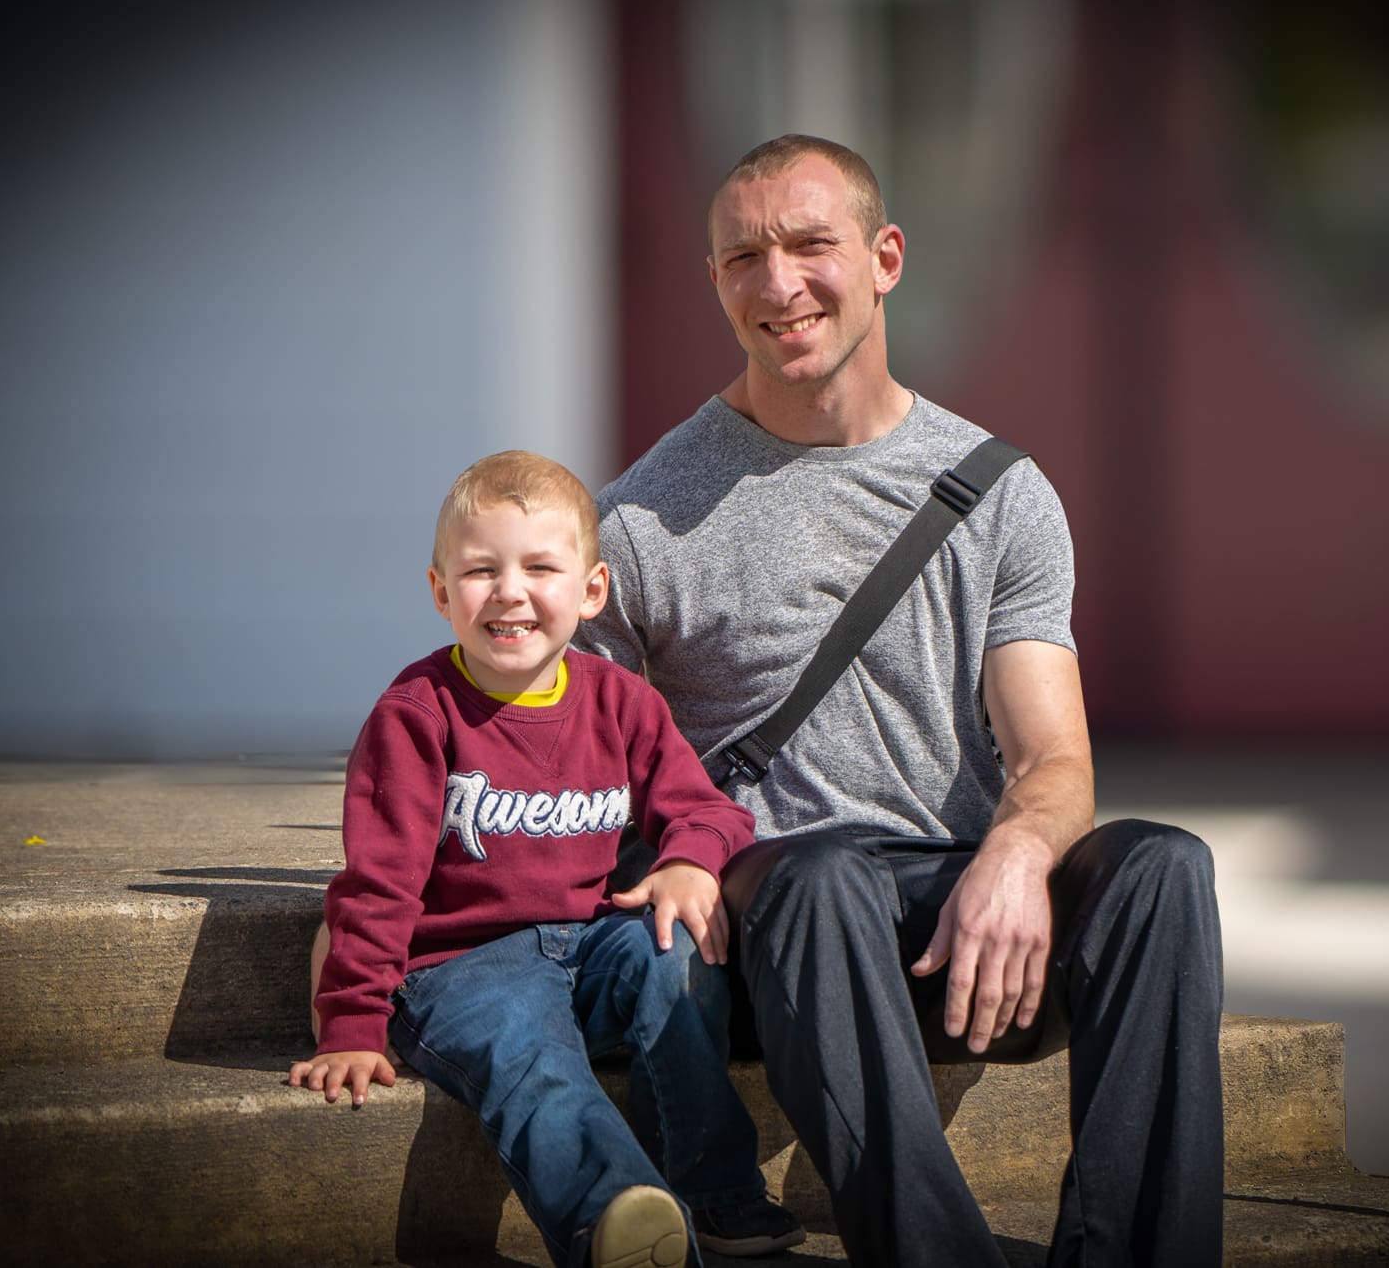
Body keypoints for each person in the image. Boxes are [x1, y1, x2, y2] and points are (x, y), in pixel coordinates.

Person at [579, 135, 1225, 1267]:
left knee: (1162, 867)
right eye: (742, 257)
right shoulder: (638, 523)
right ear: (713, 281)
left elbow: (1054, 763)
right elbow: (590, 783)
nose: (778, 285)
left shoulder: (999, 494)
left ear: (883, 257)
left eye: (809, 244)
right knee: (821, 871)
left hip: (963, 936)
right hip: (775, 943)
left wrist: (1018, 856)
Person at [290, 451, 804, 1268]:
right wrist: (352, 1020)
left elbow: (705, 809)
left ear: (591, 590)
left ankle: (716, 1194)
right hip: (459, 968)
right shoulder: (416, 717)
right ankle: (615, 1222)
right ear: (439, 591)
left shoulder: (620, 700)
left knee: (675, 954)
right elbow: (377, 884)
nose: (510, 591)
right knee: (533, 1054)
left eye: (540, 567)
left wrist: (690, 863)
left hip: (587, 944)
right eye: (479, 570)